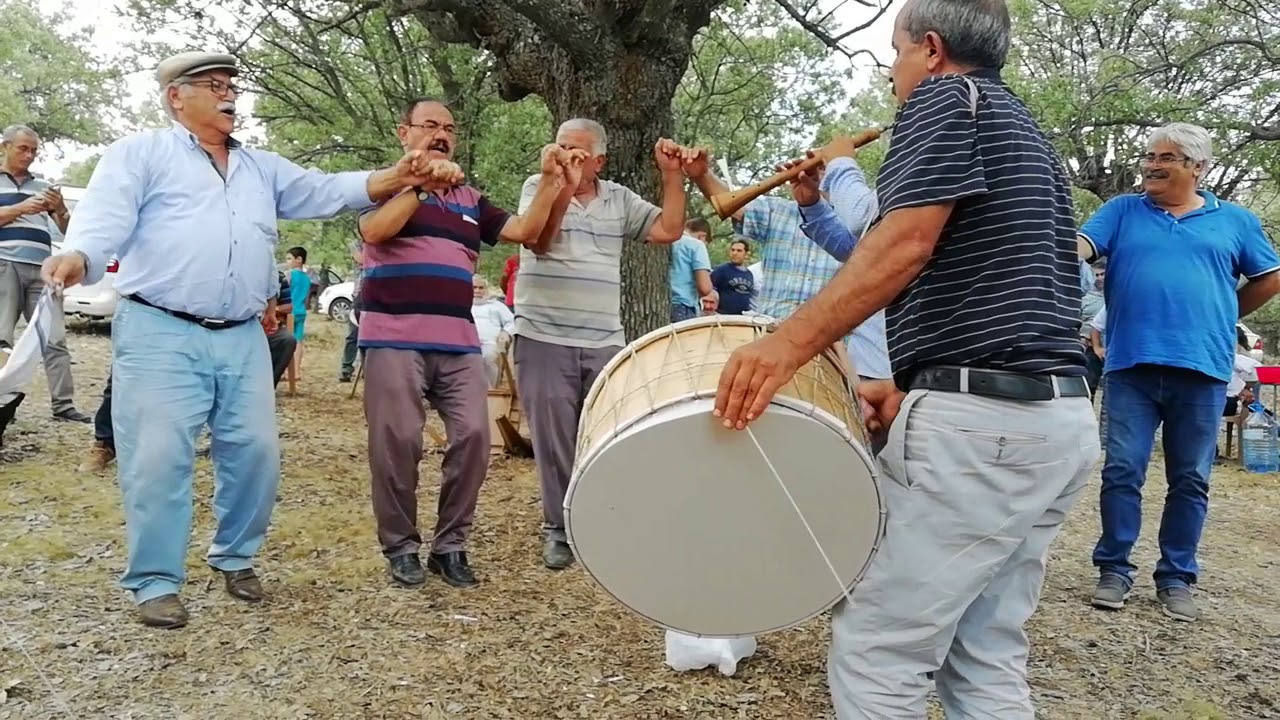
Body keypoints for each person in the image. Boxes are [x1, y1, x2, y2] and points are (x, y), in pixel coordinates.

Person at [710, 1, 1099, 716]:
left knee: (880, 648)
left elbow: (903, 244)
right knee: (982, 653)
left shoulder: (947, 97)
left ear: (930, 48)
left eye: (894, 53)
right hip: (1055, 420)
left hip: (984, 430)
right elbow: (974, 274)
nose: (892, 73)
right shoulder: (1021, 126)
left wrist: (785, 345)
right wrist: (910, 381)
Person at [42, 51, 456, 629]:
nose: (229, 94)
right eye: (214, 86)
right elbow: (104, 219)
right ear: (176, 98)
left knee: (254, 453)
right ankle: (156, 581)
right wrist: (77, 256)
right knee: (159, 458)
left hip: (240, 333)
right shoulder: (141, 154)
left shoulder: (261, 167)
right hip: (160, 327)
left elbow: (330, 189)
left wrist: (404, 174)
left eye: (232, 85)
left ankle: (235, 557)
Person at [358, 97, 581, 588]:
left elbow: (524, 231)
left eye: (450, 129)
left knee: (476, 438)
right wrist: (420, 186)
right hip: (394, 337)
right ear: (405, 133)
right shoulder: (385, 184)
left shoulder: (471, 200)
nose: (441, 135)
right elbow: (373, 231)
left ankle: (450, 545)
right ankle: (401, 547)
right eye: (430, 126)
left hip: (457, 341)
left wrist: (549, 181)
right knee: (397, 441)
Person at [1078, 122, 1280, 622]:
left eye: (1165, 157)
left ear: (1197, 167)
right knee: (1122, 470)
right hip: (1131, 363)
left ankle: (1176, 577)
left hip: (1203, 367)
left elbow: (1270, 276)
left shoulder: (1234, 220)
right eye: (1148, 155)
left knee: (1190, 477)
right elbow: (1082, 245)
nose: (1151, 164)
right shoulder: (1123, 211)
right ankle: (1114, 569)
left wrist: (1223, 309)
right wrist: (1058, 247)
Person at [512, 118, 692, 569]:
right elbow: (538, 241)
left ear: (599, 160)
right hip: (543, 333)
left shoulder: (618, 199)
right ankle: (559, 528)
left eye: (576, 149)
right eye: (560, 145)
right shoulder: (539, 184)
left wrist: (672, 175)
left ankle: (605, 521)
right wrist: (560, 187)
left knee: (608, 434)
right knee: (554, 439)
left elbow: (669, 230)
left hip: (604, 338)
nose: (566, 154)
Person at [0, 124, 90, 422]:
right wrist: (22, 208)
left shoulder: (44, 186)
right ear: (5, 146)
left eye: (34, 150)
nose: (29, 155)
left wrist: (61, 210)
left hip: (42, 268)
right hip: (4, 264)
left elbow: (69, 231)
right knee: (1, 339)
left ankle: (63, 406)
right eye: (23, 148)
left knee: (54, 338)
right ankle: (3, 404)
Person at [668, 218, 717, 322]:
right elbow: (705, 288)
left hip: (664, 302)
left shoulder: (669, 240)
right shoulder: (696, 245)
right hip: (683, 305)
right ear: (702, 236)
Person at [472, 276, 515, 387]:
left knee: (488, 357)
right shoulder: (463, 304)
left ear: (486, 289)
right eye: (474, 287)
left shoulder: (497, 306)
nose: (477, 291)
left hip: (489, 344)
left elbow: (512, 322)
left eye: (481, 288)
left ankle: (491, 392)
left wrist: (505, 332)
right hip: (466, 343)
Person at [339, 238, 363, 382]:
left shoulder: (374, 267)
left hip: (369, 303)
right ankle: (346, 369)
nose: (353, 255)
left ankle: (369, 369)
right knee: (352, 337)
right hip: (357, 303)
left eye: (354, 252)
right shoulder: (358, 270)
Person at [710, 239, 754, 316]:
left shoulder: (749, 274)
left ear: (746, 254)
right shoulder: (722, 270)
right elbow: (708, 289)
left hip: (742, 317)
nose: (734, 253)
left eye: (739, 251)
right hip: (723, 315)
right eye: (732, 250)